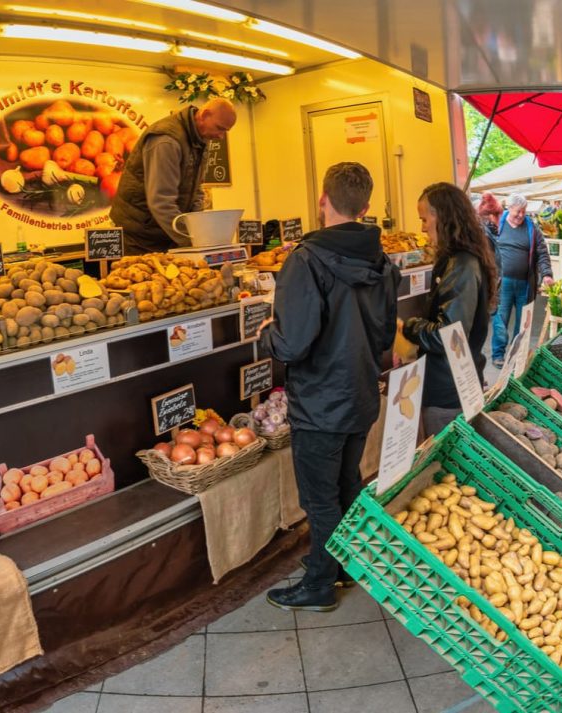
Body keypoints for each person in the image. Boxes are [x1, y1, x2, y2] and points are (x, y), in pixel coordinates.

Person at [257, 162, 400, 611]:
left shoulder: (305, 259)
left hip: (319, 400)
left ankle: (320, 582)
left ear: (323, 201)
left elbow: (293, 343)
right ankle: (342, 563)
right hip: (359, 392)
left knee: (319, 496)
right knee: (346, 484)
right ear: (366, 206)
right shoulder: (383, 261)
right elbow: (384, 336)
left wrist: (267, 334)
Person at [400, 183, 498, 436]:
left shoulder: (461, 265)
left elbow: (448, 335)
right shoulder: (461, 260)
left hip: (448, 390)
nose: (422, 227)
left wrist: (409, 327)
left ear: (441, 217)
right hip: (455, 382)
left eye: (424, 219)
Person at [109, 98, 237, 255]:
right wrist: (193, 240)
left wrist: (200, 230)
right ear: (204, 115)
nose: (221, 136)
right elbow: (161, 201)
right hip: (140, 238)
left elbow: (196, 190)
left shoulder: (201, 139)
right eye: (220, 128)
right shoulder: (167, 140)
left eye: (225, 131)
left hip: (167, 234)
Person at [490, 193, 554, 367]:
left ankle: (516, 354)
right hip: (503, 283)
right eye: (517, 211)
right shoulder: (497, 225)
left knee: (523, 321)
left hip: (525, 283)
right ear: (508, 208)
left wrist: (547, 274)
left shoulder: (531, 228)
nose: (520, 215)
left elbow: (542, 252)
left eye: (523, 211)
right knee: (501, 320)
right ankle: (498, 354)